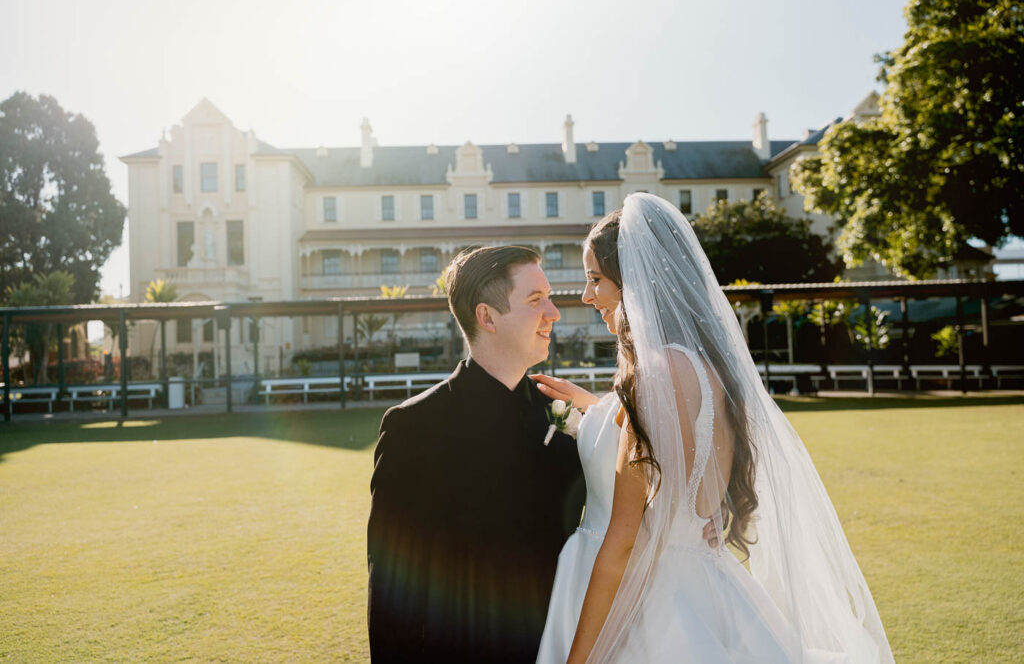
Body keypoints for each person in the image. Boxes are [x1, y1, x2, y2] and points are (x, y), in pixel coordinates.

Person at [534, 194, 893, 663]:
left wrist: (576, 660)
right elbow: (669, 447)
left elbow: (625, 539)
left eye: (595, 280)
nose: (586, 296)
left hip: (648, 604)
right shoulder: (710, 373)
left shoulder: (649, 380)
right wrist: (592, 404)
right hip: (709, 589)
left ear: (633, 282)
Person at [366, 246, 587, 662]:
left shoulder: (564, 416)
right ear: (487, 317)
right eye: (536, 300)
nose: (555, 313)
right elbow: (392, 589)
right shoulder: (413, 428)